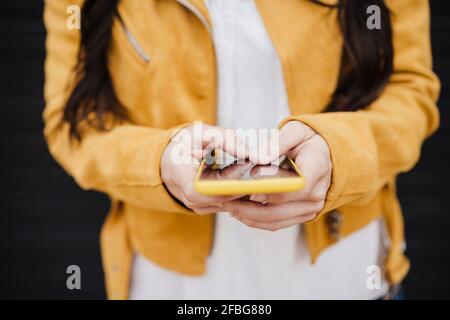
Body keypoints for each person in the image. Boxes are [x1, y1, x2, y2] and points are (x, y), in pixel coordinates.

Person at [43, 0, 440, 299]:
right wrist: (160, 162)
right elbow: (72, 124)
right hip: (173, 288)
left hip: (344, 277)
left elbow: (411, 92)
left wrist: (338, 155)